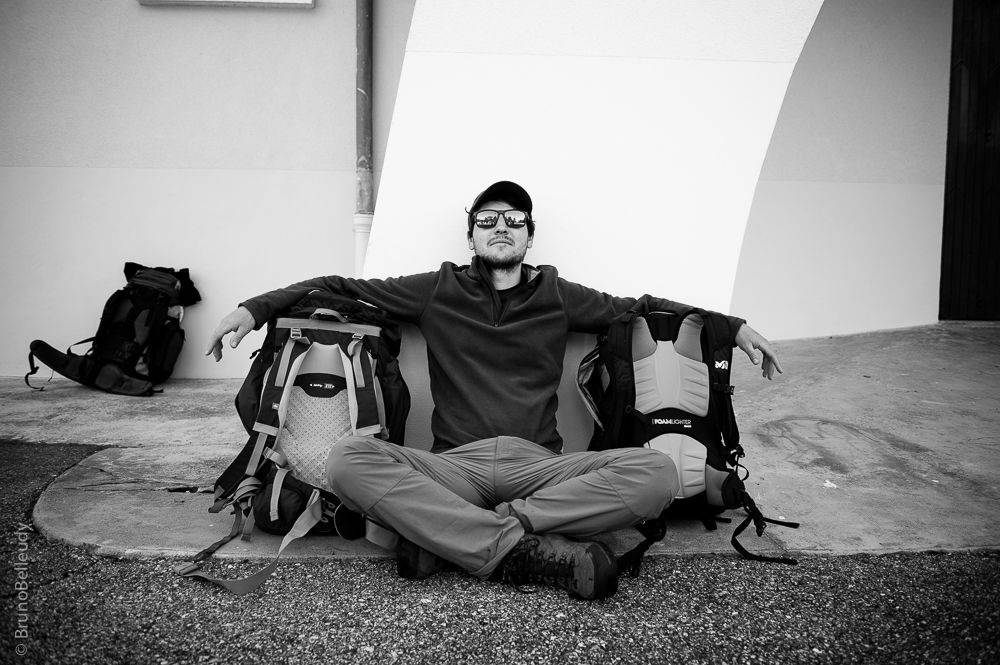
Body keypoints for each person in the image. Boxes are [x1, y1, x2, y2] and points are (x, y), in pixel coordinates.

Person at [207, 181, 782, 600]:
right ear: (471, 236)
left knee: (655, 473)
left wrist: (732, 327)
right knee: (347, 460)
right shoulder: (437, 289)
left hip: (541, 467)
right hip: (454, 468)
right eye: (487, 220)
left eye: (513, 219)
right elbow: (336, 284)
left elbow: (643, 306)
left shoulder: (559, 295)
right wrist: (251, 310)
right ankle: (526, 549)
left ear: (529, 235)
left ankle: (458, 536)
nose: (500, 227)